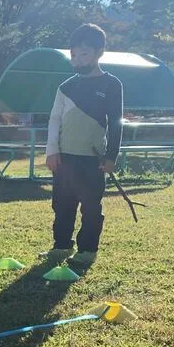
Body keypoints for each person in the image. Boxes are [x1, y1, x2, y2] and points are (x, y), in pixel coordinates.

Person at [43, 24, 123, 267]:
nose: (77, 60)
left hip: (93, 159)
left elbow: (116, 123)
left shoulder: (112, 85)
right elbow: (54, 119)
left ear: (99, 52)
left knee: (90, 206)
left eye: (84, 54)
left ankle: (87, 250)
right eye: (74, 55)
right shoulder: (66, 87)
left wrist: (111, 157)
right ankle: (61, 246)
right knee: (62, 204)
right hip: (64, 158)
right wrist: (51, 151)